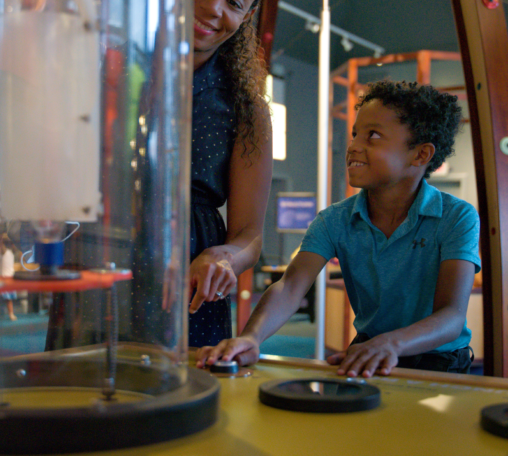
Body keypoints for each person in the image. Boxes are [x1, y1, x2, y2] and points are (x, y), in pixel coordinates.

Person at [196, 80, 481, 375]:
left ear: (420, 155)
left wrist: (392, 344)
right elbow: (290, 286)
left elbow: (451, 316)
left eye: (373, 136)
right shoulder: (334, 220)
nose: (354, 146)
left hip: (440, 360)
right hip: (370, 351)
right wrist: (250, 337)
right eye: (355, 134)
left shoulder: (456, 217)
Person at [188, 0, 273, 347]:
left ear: (246, 16)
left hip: (191, 290)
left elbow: (250, 236)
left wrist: (223, 258)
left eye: (234, 1)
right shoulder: (109, 68)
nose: (211, 5)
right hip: (101, 268)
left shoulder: (247, 108)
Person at [0, 233, 18, 321]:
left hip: (8, 278)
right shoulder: (3, 252)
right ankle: (10, 314)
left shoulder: (10, 252)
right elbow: (2, 246)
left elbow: (14, 245)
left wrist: (2, 238)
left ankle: (11, 313)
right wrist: (1, 238)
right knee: (1, 298)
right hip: (3, 278)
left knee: (8, 299)